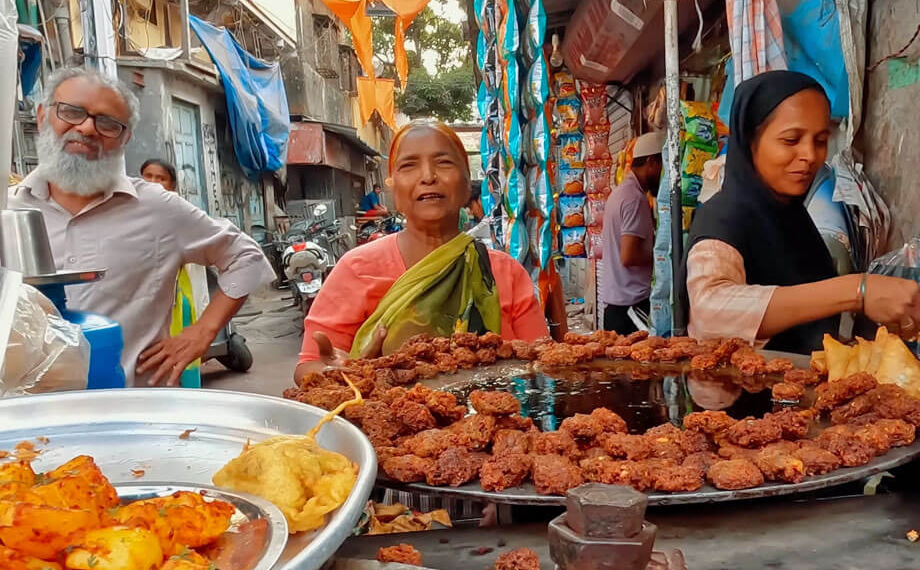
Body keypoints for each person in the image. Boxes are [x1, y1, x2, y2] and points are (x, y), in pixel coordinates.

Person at [8, 66, 274, 386]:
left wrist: (203, 332)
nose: (88, 128)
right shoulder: (8, 211)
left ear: (124, 140)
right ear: (41, 116)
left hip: (139, 412)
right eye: (73, 111)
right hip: (30, 416)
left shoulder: (157, 208)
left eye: (108, 123)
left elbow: (245, 256)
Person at [685, 71, 920, 354]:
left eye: (820, 140)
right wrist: (857, 291)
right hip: (743, 397)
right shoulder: (723, 220)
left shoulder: (792, 218)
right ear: (750, 142)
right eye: (791, 140)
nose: (810, 156)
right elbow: (710, 313)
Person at [295, 119, 549, 383]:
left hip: (491, 422)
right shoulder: (356, 269)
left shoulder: (505, 273)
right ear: (394, 189)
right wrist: (348, 373)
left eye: (444, 163)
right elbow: (307, 367)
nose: (428, 176)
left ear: (467, 186)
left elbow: (542, 364)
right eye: (409, 165)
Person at [138, 158, 202, 389]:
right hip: (142, 301)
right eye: (148, 176)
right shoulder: (131, 213)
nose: (153, 182)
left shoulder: (179, 214)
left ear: (172, 185)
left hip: (175, 299)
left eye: (161, 178)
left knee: (181, 356)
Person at [600, 131, 664, 335]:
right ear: (652, 162)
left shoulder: (620, 193)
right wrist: (664, 256)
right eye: (663, 168)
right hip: (631, 308)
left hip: (619, 307)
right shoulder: (634, 199)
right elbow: (629, 256)